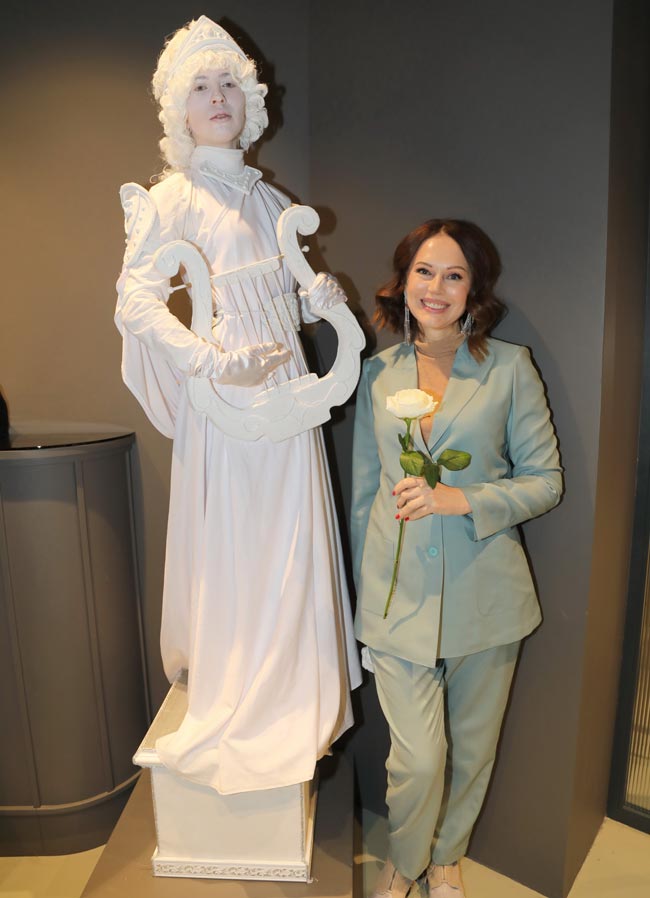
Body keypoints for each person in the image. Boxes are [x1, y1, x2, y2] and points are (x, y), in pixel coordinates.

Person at [115, 15, 361, 795]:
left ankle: (288, 694)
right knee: (238, 543)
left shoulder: (269, 199)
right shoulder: (170, 199)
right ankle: (239, 698)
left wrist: (321, 298)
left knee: (289, 541)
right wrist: (212, 361)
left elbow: (291, 291)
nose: (217, 96)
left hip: (288, 396)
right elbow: (134, 302)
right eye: (200, 85)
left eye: (228, 82)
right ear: (178, 110)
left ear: (248, 99)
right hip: (228, 404)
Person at [351, 219, 562, 897]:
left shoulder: (509, 367)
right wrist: (360, 600)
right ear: (403, 280)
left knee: (472, 750)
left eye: (454, 275)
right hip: (397, 596)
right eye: (424, 271)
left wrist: (460, 500)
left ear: (475, 288)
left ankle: (445, 859)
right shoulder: (377, 375)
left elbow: (545, 482)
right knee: (417, 760)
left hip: (486, 594)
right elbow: (365, 495)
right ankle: (405, 859)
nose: (436, 288)